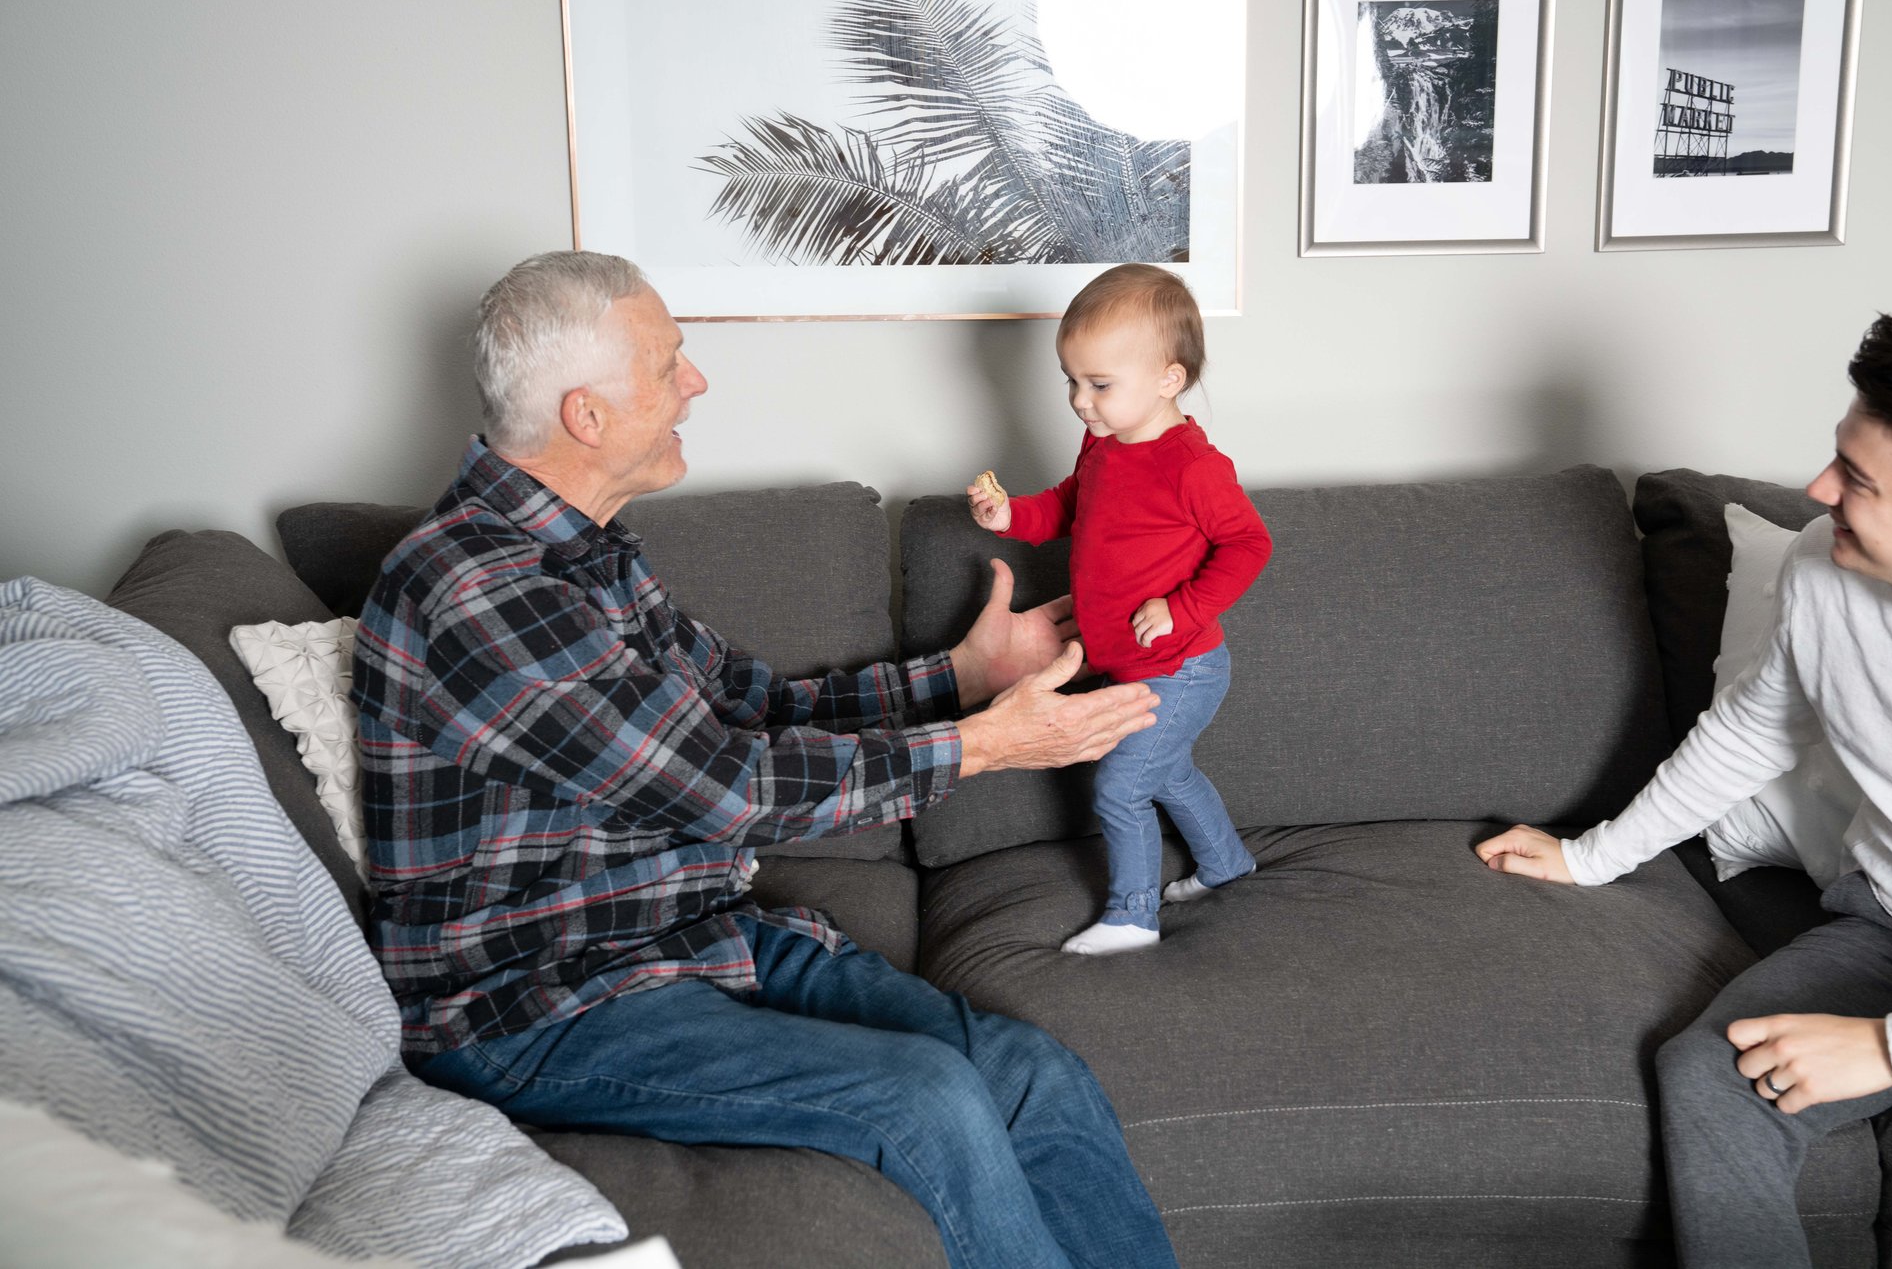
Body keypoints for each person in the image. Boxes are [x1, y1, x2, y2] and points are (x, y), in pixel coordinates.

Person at [349, 250, 1179, 1269]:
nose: (694, 382)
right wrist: (986, 743)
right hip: (542, 1002)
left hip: (695, 936)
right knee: (930, 1101)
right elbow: (728, 787)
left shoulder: (589, 553)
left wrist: (961, 674)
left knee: (1031, 1074)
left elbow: (754, 709)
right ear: (587, 415)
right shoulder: (479, 592)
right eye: (669, 363)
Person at [1476, 305, 1892, 1267]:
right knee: (1710, 1075)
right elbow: (1754, 733)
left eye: (1859, 480)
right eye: (1837, 454)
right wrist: (1591, 858)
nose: (1817, 487)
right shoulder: (1825, 570)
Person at [968, 264, 1272, 956]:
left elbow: (1249, 544)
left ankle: (1134, 915)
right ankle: (1227, 863)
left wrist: (1181, 607)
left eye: (1100, 384)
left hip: (1181, 666)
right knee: (1168, 773)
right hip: (1128, 665)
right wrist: (1011, 512)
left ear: (1169, 378)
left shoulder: (1193, 465)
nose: (1080, 401)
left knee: (1120, 787)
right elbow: (1071, 507)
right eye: (1072, 381)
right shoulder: (1103, 445)